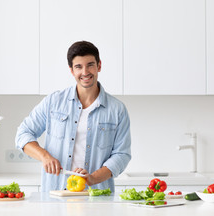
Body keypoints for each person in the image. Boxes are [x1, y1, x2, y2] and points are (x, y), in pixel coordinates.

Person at [15, 41, 131, 192]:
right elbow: (23, 134)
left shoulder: (117, 110)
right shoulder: (53, 102)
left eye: (90, 65)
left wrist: (93, 178)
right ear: (71, 70)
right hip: (56, 195)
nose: (85, 72)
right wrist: (45, 156)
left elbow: (122, 155)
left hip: (97, 196)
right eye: (78, 67)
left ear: (99, 66)